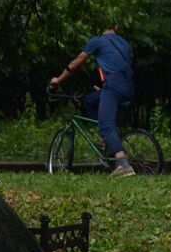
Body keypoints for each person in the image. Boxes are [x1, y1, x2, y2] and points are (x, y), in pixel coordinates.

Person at [49, 22, 136, 177]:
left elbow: (75, 64)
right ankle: (107, 141)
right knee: (89, 100)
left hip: (113, 86)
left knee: (105, 125)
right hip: (128, 87)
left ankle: (123, 164)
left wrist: (58, 80)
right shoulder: (124, 43)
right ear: (116, 26)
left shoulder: (97, 41)